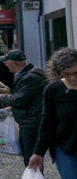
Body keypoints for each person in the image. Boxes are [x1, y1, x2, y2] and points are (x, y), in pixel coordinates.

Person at [30, 47, 77, 179]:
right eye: (67, 74)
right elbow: (46, 122)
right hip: (66, 148)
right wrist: (38, 152)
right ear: (59, 73)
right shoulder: (53, 90)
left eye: (76, 73)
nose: (73, 78)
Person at [0, 48, 48, 165]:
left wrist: (1, 96)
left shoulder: (30, 77)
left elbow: (20, 99)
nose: (5, 64)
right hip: (30, 118)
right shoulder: (28, 74)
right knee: (29, 155)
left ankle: (34, 174)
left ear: (14, 63)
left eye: (7, 62)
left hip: (31, 121)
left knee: (31, 156)